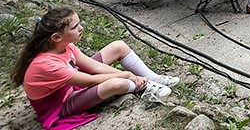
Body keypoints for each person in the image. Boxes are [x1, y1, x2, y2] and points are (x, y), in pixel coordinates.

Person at [13, 7, 177, 130]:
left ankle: (153, 78)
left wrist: (127, 74)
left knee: (118, 46)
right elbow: (91, 80)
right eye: (75, 27)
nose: (81, 28)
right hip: (59, 104)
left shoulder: (66, 46)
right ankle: (143, 86)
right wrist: (127, 75)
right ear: (56, 37)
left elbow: (96, 67)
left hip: (70, 84)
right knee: (114, 84)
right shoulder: (47, 64)